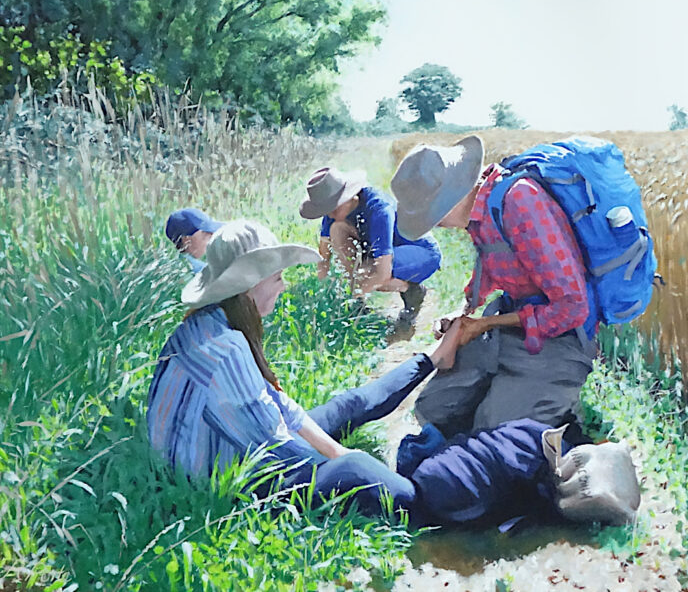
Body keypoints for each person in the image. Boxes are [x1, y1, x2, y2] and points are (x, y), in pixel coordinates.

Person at [146, 219, 462, 517]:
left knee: (345, 408)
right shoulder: (227, 350)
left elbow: (276, 405)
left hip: (230, 453)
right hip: (232, 485)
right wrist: (345, 461)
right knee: (361, 473)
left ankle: (432, 358)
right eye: (277, 278)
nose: (283, 287)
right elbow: (277, 448)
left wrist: (335, 450)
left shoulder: (207, 323)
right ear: (248, 288)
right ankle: (435, 503)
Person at [390, 136, 598, 445]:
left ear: (453, 195)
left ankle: (564, 423)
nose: (434, 226)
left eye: (432, 215)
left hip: (561, 339)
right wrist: (462, 316)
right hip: (512, 324)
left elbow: (571, 307)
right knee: (433, 409)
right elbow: (490, 267)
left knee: (492, 436)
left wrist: (485, 325)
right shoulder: (481, 209)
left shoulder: (521, 202)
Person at [299, 167, 441, 323]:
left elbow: (382, 273)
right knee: (337, 229)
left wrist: (347, 298)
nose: (329, 215)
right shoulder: (333, 214)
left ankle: (412, 292)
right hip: (382, 252)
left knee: (368, 274)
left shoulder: (379, 209)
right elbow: (323, 258)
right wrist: (320, 295)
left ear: (348, 197)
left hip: (420, 251)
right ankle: (359, 308)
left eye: (332, 209)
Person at [165, 208, 224, 273]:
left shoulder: (176, 264)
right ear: (186, 240)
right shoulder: (197, 270)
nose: (212, 234)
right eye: (205, 232)